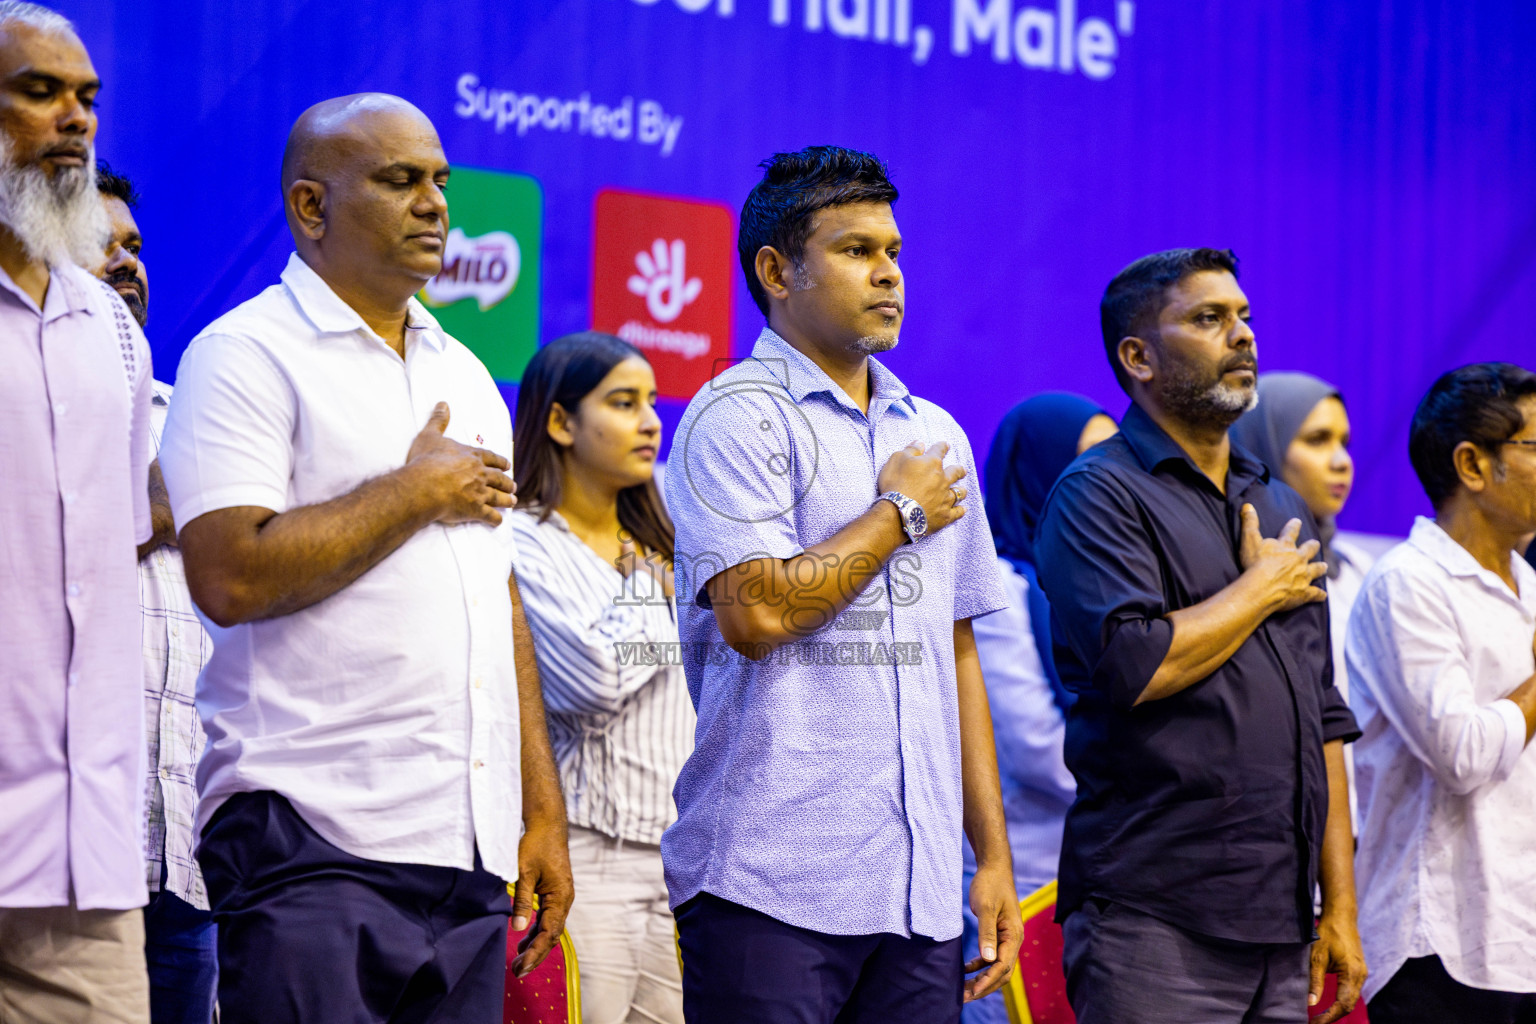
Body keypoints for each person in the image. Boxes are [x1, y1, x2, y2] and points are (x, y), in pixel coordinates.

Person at [157, 93, 573, 1024]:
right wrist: (415, 489)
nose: (435, 204)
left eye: (439, 181)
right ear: (312, 207)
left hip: (467, 851)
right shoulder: (242, 355)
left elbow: (495, 596)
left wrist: (539, 811)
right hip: (310, 836)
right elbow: (228, 575)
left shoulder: (465, 372)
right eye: (399, 181)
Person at [662, 145, 1021, 1024]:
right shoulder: (733, 414)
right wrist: (899, 511)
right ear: (776, 271)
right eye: (857, 251)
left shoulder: (935, 433)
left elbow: (957, 654)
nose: (888, 273)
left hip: (920, 889)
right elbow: (755, 612)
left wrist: (993, 856)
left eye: (894, 252)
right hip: (768, 882)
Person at [1036, 248, 1366, 1024]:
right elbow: (1135, 665)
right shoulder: (1098, 494)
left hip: (1283, 921)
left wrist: (1340, 907)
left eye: (1244, 317)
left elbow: (1322, 719)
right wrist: (1260, 589)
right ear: (1138, 356)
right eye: (1209, 319)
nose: (1241, 335)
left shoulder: (1277, 497)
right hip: (1155, 916)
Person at [0, 5, 155, 1022]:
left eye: (87, 98)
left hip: (80, 847)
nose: (73, 119)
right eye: (39, 91)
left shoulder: (115, 327)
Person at [509, 331, 692, 1024]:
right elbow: (590, 677)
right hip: (586, 860)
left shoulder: (672, 542)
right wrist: (650, 593)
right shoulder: (522, 538)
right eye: (622, 402)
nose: (650, 421)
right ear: (560, 422)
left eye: (650, 402)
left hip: (684, 862)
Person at [1345, 362, 1536, 1024]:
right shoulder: (1408, 584)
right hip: (1446, 947)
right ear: (1474, 465)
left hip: (1525, 934)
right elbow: (1462, 756)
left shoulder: (1529, 585)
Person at [91, 161, 219, 1024]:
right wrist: (156, 504)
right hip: (59, 857)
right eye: (97, 248)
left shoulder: (199, 420)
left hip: (193, 858)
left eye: (133, 246)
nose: (125, 262)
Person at [960, 393, 1115, 1024]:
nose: (1107, 482)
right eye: (1089, 463)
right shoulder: (999, 590)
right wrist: (1154, 783)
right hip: (1020, 889)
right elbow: (1041, 754)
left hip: (1098, 888)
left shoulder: (1103, 592)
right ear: (1042, 472)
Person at [1231, 371, 1374, 830]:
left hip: (1366, 827)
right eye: (1316, 440)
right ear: (1264, 443)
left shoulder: (1359, 569)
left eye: (1344, 442)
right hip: (1269, 828)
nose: (1341, 461)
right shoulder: (1234, 572)